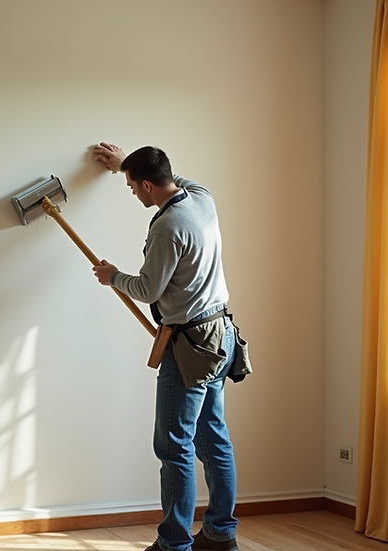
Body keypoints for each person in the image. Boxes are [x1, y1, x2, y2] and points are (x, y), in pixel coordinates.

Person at [91, 142, 239, 551]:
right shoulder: (201, 198)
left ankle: (173, 544)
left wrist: (113, 276)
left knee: (173, 445)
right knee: (213, 438)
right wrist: (127, 164)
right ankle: (220, 535)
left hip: (190, 344)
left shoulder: (168, 227)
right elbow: (177, 179)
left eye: (132, 187)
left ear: (146, 185)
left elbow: (148, 287)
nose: (134, 193)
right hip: (221, 334)